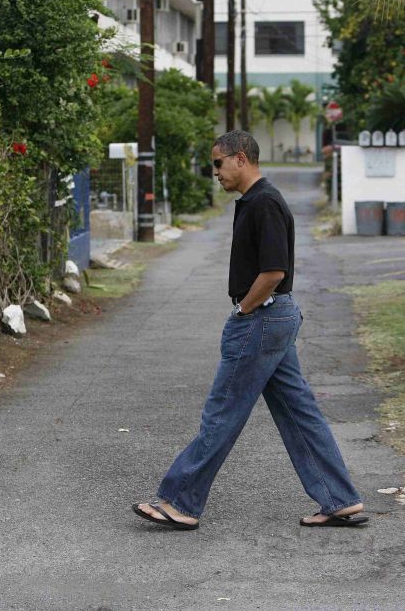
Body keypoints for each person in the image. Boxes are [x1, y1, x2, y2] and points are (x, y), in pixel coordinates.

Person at [133, 130, 366, 531]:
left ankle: (180, 501)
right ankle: (340, 499)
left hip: (262, 319)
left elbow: (275, 271)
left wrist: (244, 310)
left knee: (222, 413)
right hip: (272, 320)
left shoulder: (264, 203)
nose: (215, 173)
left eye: (218, 164)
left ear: (241, 159)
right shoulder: (255, 202)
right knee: (298, 412)